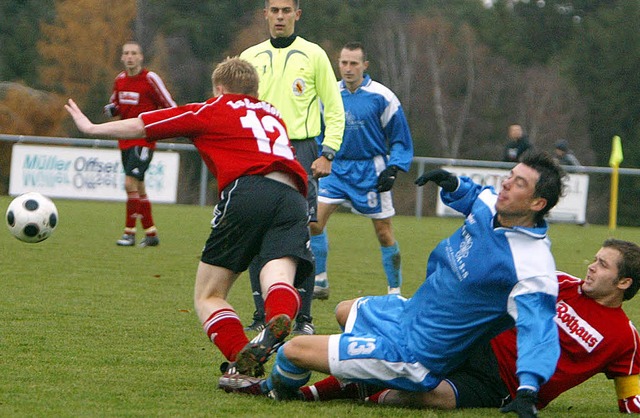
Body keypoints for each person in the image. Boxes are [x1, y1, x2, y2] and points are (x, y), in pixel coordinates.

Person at [220, 151, 567, 417]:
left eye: (519, 183)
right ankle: (359, 378)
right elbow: (477, 196)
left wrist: (529, 387)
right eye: (510, 176)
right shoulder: (494, 203)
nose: (507, 183)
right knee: (343, 310)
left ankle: (272, 390)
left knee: (295, 350)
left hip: (416, 352)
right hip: (406, 313)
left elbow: (539, 329)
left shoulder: (531, 265)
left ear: (538, 203)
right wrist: (455, 185)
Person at [66, 57, 315, 379]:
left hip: (250, 190)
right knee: (278, 276)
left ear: (220, 89)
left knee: (208, 295)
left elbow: (144, 124)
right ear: (255, 89)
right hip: (294, 196)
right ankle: (278, 318)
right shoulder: (273, 113)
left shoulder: (213, 108)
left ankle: (241, 356)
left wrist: (92, 128)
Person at [300, 239, 640, 415]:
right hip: (476, 340)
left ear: (624, 281)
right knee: (352, 317)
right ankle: (317, 384)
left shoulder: (625, 338)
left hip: (501, 385)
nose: (591, 267)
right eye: (594, 259)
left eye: (602, 265)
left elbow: (630, 400)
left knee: (424, 397)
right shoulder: (561, 283)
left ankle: (355, 386)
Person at [240, 0, 345, 335]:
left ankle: (304, 319)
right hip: (259, 151)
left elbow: (335, 107)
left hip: (301, 149)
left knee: (302, 234)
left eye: (287, 10)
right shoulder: (250, 57)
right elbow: (236, 107)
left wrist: (328, 152)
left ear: (297, 15)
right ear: (266, 14)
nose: (281, 16)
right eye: (275, 10)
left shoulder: (313, 55)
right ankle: (261, 315)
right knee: (257, 233)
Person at [310, 41, 414, 300]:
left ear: (365, 66)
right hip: (336, 168)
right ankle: (320, 281)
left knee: (384, 232)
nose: (347, 68)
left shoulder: (382, 97)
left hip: (370, 170)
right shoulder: (329, 94)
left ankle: (394, 291)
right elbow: (318, 132)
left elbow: (400, 138)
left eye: (354, 63)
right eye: (343, 62)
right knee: (314, 223)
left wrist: (393, 168)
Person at [104, 41, 177, 247]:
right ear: (122, 57)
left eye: (134, 53)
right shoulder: (119, 80)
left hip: (144, 139)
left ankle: (129, 233)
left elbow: (169, 105)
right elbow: (117, 104)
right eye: (126, 53)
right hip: (125, 140)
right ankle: (151, 234)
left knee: (129, 183)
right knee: (139, 186)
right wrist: (112, 109)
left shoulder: (150, 79)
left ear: (141, 57)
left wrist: (165, 126)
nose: (129, 57)